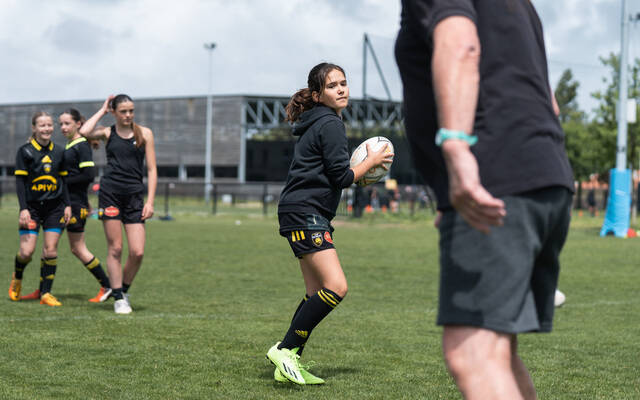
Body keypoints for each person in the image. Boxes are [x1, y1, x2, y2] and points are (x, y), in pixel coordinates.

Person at [395, 2, 574, 399]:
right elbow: (549, 99)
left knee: (472, 353)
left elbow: (461, 45)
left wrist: (457, 151)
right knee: (498, 352)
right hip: (545, 174)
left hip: (494, 173)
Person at [265, 62, 393, 385]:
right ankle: (285, 349)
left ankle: (289, 358)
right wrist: (372, 162)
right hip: (306, 212)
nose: (341, 89)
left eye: (344, 83)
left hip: (301, 211)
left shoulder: (319, 121)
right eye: (333, 85)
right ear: (317, 94)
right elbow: (343, 176)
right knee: (337, 287)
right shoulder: (331, 124)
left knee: (314, 292)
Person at [79, 94, 157, 315]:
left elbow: (151, 170)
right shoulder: (107, 132)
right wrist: (103, 110)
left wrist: (150, 201)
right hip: (110, 194)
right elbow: (84, 132)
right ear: (115, 112)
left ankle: (123, 290)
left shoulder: (145, 133)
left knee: (138, 251)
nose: (128, 115)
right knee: (116, 248)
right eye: (123, 111)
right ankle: (119, 298)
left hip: (134, 197)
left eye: (131, 110)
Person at [8, 112, 71, 307]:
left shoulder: (60, 152)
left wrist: (67, 204)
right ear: (34, 128)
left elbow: (64, 181)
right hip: (32, 209)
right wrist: (23, 209)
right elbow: (20, 182)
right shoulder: (25, 152)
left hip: (55, 208)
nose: (46, 129)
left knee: (50, 250)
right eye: (42, 126)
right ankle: (17, 276)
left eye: (49, 125)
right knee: (26, 252)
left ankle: (45, 293)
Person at [58, 108, 112, 302]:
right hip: (71, 202)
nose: (63, 127)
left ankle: (107, 285)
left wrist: (60, 182)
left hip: (74, 204)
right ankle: (43, 290)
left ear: (78, 124)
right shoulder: (71, 144)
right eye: (61, 124)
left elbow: (88, 176)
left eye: (67, 123)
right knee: (59, 247)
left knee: (78, 248)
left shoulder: (80, 145)